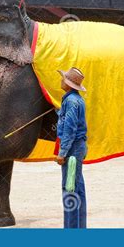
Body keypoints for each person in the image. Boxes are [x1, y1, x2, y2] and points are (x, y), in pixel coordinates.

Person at [55, 67, 88, 229]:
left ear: (68, 84)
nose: (61, 80)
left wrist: (62, 153)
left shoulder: (70, 101)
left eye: (63, 79)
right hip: (78, 147)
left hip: (72, 150)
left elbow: (69, 129)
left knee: (70, 188)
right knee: (77, 187)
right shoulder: (77, 100)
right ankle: (79, 227)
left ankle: (71, 228)